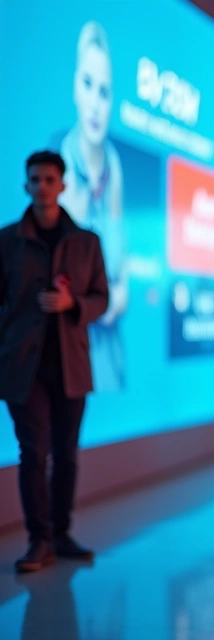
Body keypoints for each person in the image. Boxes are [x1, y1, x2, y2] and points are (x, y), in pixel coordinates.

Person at [0, 151, 109, 573]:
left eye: (50, 179)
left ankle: (60, 534)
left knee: (66, 455)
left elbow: (103, 299)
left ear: (62, 185)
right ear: (25, 185)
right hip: (23, 369)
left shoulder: (86, 242)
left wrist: (72, 303)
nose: (42, 186)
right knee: (33, 453)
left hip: (70, 367)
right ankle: (38, 540)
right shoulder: (7, 242)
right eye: (35, 179)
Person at [58, 20, 126, 392]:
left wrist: (111, 299)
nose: (96, 103)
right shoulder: (57, 171)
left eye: (105, 91)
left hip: (109, 361)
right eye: (88, 84)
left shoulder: (114, 168)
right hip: (67, 353)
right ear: (74, 87)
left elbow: (122, 278)